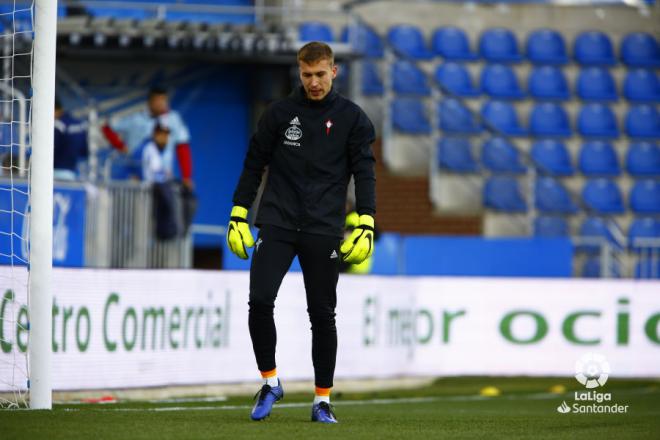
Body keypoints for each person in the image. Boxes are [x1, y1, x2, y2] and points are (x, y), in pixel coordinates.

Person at [226, 41, 376, 423]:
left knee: (322, 314)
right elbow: (253, 163)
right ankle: (270, 382)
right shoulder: (279, 114)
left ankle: (321, 400)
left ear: (334, 71)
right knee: (259, 300)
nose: (313, 82)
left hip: (324, 227)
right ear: (299, 72)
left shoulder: (353, 119)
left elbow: (364, 173)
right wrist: (238, 213)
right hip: (277, 221)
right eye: (307, 75)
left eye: (320, 74)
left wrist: (367, 220)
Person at [101, 86, 194, 189]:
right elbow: (107, 127)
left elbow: (182, 146)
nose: (160, 104)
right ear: (150, 101)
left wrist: (186, 177)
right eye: (157, 100)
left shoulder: (173, 119)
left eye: (163, 100)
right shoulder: (136, 119)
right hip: (137, 180)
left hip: (163, 179)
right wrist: (120, 145)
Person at [54, 98, 88, 181]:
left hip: (56, 171)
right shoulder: (79, 124)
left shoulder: (59, 125)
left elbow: (53, 146)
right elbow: (84, 150)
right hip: (72, 171)